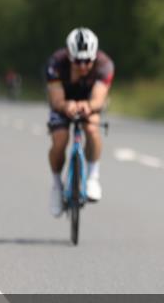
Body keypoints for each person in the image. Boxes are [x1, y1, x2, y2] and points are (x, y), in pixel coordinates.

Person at [45, 28, 114, 216]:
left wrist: (89, 105)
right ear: (69, 55)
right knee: (60, 139)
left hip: (88, 100)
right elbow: (56, 99)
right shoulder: (56, 63)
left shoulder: (104, 64)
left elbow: (99, 99)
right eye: (78, 61)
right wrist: (65, 105)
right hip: (63, 101)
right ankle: (57, 186)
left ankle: (93, 176)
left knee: (92, 127)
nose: (83, 66)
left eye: (87, 61)